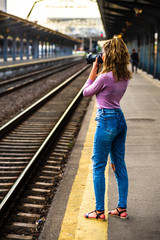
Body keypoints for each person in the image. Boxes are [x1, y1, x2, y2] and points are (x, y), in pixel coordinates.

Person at [83, 36, 132, 220]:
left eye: (103, 52)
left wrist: (94, 69)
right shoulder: (125, 76)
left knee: (98, 165)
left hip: (106, 121)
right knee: (119, 164)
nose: (100, 55)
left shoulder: (104, 77)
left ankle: (99, 211)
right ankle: (122, 208)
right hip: (120, 119)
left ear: (109, 55)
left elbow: (86, 92)